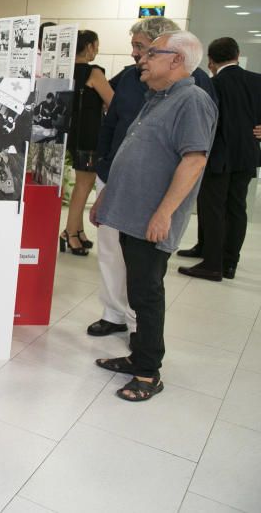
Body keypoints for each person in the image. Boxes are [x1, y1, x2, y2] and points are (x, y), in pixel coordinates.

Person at [90, 30, 217, 402]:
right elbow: (131, 150)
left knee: (146, 293)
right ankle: (138, 356)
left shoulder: (192, 100)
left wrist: (164, 213)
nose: (142, 58)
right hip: (129, 212)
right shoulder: (155, 97)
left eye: (152, 53)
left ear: (177, 59)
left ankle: (148, 372)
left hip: (151, 219)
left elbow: (194, 160)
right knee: (136, 290)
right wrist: (106, 198)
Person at [178, 37, 261, 281]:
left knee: (212, 208)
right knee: (236, 208)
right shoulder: (257, 81)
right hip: (247, 155)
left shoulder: (211, 83)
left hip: (217, 154)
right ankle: (228, 262)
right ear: (238, 54)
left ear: (210, 60)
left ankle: (212, 263)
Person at [61, 30, 113, 255]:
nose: (97, 50)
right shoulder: (94, 72)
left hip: (70, 133)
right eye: (97, 45)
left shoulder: (64, 71)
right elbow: (114, 102)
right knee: (84, 185)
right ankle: (70, 233)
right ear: (90, 47)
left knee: (82, 183)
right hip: (90, 135)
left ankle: (78, 231)